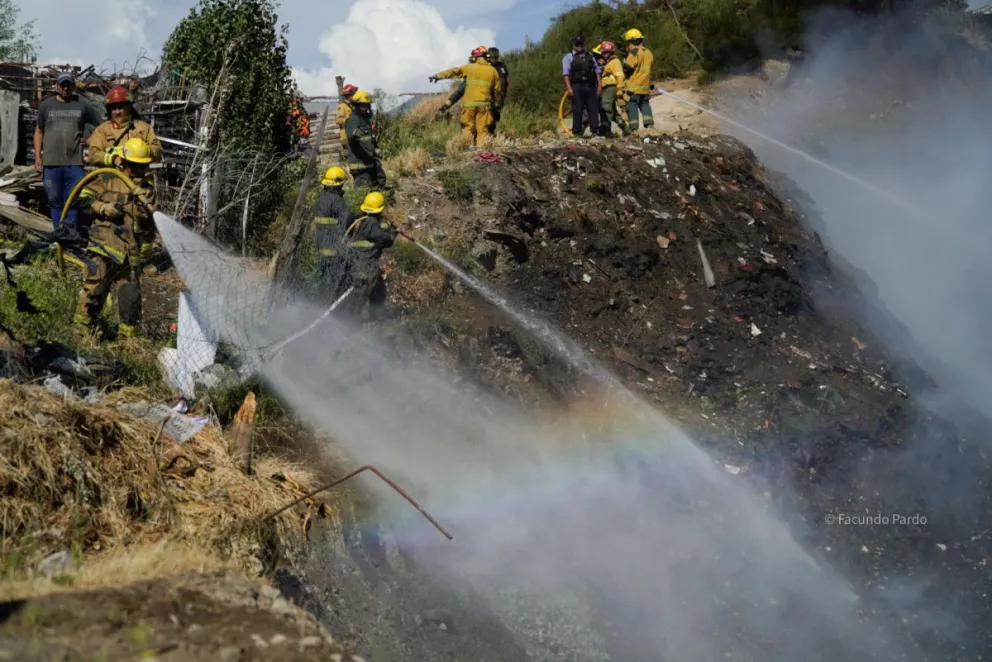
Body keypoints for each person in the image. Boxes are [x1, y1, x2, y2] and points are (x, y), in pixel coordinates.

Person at [74, 137, 157, 338]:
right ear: (123, 162)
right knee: (95, 291)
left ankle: (129, 343)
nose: (139, 171)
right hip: (103, 247)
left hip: (130, 254)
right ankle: (81, 334)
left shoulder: (147, 189)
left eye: (143, 166)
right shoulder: (106, 178)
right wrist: (102, 208)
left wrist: (145, 247)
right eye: (135, 166)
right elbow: (82, 199)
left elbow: (148, 225)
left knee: (131, 299)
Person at [87, 84, 163, 268]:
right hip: (113, 183)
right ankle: (117, 256)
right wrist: (112, 157)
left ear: (129, 106)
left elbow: (157, 149)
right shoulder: (102, 131)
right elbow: (93, 154)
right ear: (109, 110)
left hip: (141, 182)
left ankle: (144, 260)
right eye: (114, 107)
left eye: (121, 106)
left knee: (145, 222)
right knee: (118, 220)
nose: (118, 111)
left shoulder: (142, 129)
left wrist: (142, 151)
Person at [34, 71, 103, 229]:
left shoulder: (82, 104)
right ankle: (60, 235)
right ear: (57, 86)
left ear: (73, 86)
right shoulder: (46, 105)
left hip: (74, 163)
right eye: (62, 85)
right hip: (51, 163)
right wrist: (38, 157)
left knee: (72, 201)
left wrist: (90, 140)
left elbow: (100, 127)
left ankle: (70, 236)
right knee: (54, 201)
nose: (65, 88)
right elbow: (39, 131)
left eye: (69, 85)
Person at [429, 46, 501, 146]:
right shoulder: (493, 71)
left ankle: (469, 151)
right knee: (483, 129)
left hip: (469, 105)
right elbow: (497, 90)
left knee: (468, 128)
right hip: (484, 105)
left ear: (476, 57)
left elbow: (454, 71)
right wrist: (496, 104)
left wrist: (438, 76)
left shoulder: (470, 68)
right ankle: (483, 153)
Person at [342, 191, 397, 320]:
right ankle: (346, 324)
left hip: (362, 266)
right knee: (356, 301)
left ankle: (376, 319)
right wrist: (393, 233)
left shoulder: (363, 221)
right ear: (380, 209)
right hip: (364, 269)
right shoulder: (372, 223)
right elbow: (384, 240)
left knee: (379, 291)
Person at [312, 165, 354, 303]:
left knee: (324, 279)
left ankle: (319, 304)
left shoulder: (320, 200)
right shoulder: (337, 201)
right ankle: (332, 308)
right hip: (334, 248)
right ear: (338, 185)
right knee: (336, 280)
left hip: (321, 246)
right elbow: (347, 220)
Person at [345, 90, 387, 188]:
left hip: (370, 162)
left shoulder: (365, 121)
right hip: (360, 165)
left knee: (380, 181)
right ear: (357, 106)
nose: (367, 108)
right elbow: (351, 133)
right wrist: (356, 133)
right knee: (364, 188)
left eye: (368, 105)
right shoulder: (353, 119)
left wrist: (377, 152)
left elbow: (371, 141)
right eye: (364, 105)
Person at [562, 36, 602, 138]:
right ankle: (577, 132)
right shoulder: (568, 57)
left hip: (591, 86)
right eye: (577, 44)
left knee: (593, 109)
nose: (579, 46)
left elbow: (597, 72)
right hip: (577, 86)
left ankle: (595, 130)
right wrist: (569, 88)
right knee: (577, 110)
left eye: (581, 44)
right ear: (573, 44)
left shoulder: (590, 56)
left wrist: (599, 86)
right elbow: (566, 74)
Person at [623, 28, 655, 132]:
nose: (628, 45)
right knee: (645, 105)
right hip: (645, 87)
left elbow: (627, 69)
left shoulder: (634, 52)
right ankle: (649, 126)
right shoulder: (648, 52)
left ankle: (634, 129)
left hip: (634, 87)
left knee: (632, 105)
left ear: (632, 41)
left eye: (628, 42)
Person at [597, 41, 630, 137]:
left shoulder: (615, 62)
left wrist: (620, 89)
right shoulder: (609, 62)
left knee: (605, 106)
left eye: (605, 52)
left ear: (610, 52)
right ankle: (625, 128)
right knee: (612, 111)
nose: (603, 54)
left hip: (611, 87)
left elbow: (620, 76)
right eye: (602, 52)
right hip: (606, 88)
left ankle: (605, 129)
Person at [487, 47, 510, 134]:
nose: (494, 59)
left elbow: (506, 79)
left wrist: (506, 91)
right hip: (490, 96)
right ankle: (489, 133)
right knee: (489, 115)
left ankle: (492, 132)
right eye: (492, 57)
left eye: (496, 57)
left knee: (497, 115)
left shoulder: (502, 65)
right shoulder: (487, 66)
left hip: (501, 95)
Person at [335, 84, 358, 151]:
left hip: (355, 135)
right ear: (348, 96)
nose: (354, 96)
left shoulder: (353, 106)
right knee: (349, 156)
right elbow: (338, 120)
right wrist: (350, 119)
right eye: (353, 94)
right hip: (346, 136)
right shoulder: (341, 106)